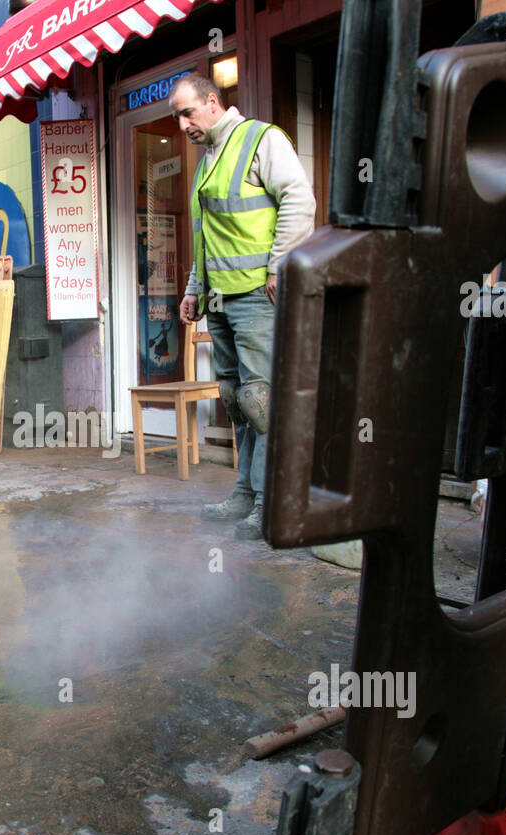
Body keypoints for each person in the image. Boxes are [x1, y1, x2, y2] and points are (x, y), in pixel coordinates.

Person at [170, 73, 316, 540]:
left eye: (187, 112)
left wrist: (279, 267)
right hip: (220, 299)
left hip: (257, 295)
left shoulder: (261, 139)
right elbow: (205, 237)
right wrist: (194, 287)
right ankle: (246, 493)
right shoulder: (207, 161)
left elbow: (299, 198)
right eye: (177, 115)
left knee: (262, 400)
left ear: (213, 103)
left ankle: (273, 503)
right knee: (238, 402)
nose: (182, 124)